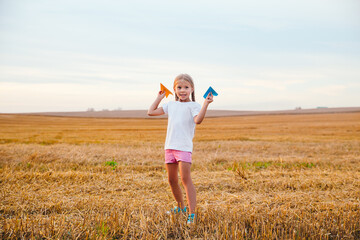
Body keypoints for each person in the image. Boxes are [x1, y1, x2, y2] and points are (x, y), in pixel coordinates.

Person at [147, 73, 213, 224]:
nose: (182, 90)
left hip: (183, 148)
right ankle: (181, 207)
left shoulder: (194, 106)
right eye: (179, 87)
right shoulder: (171, 105)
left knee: (185, 179)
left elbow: (198, 120)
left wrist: (205, 104)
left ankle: (192, 213)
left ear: (192, 89)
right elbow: (150, 112)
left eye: (186, 87)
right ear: (174, 89)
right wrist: (159, 97)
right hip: (169, 146)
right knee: (171, 180)